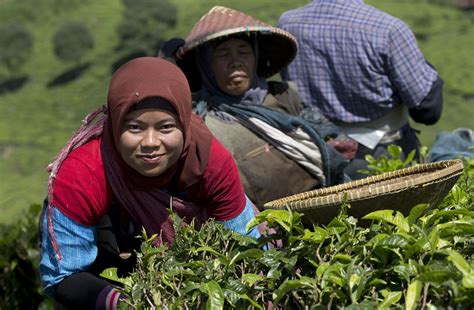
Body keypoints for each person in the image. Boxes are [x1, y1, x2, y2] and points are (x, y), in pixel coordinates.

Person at [39, 57, 260, 309]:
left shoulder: (209, 160)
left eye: (166, 127)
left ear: (184, 124)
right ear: (115, 123)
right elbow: (63, 276)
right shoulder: (82, 172)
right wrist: (127, 303)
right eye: (134, 127)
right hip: (109, 277)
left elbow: (247, 245)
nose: (151, 142)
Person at [160, 6, 351, 209]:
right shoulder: (202, 120)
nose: (236, 62)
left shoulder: (283, 94)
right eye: (223, 55)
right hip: (262, 225)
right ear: (206, 65)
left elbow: (327, 136)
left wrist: (333, 144)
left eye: (244, 52)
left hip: (321, 207)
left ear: (255, 57)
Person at [278, 0, 444, 179]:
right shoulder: (388, 29)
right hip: (379, 154)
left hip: (318, 152)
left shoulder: (288, 23)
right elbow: (427, 110)